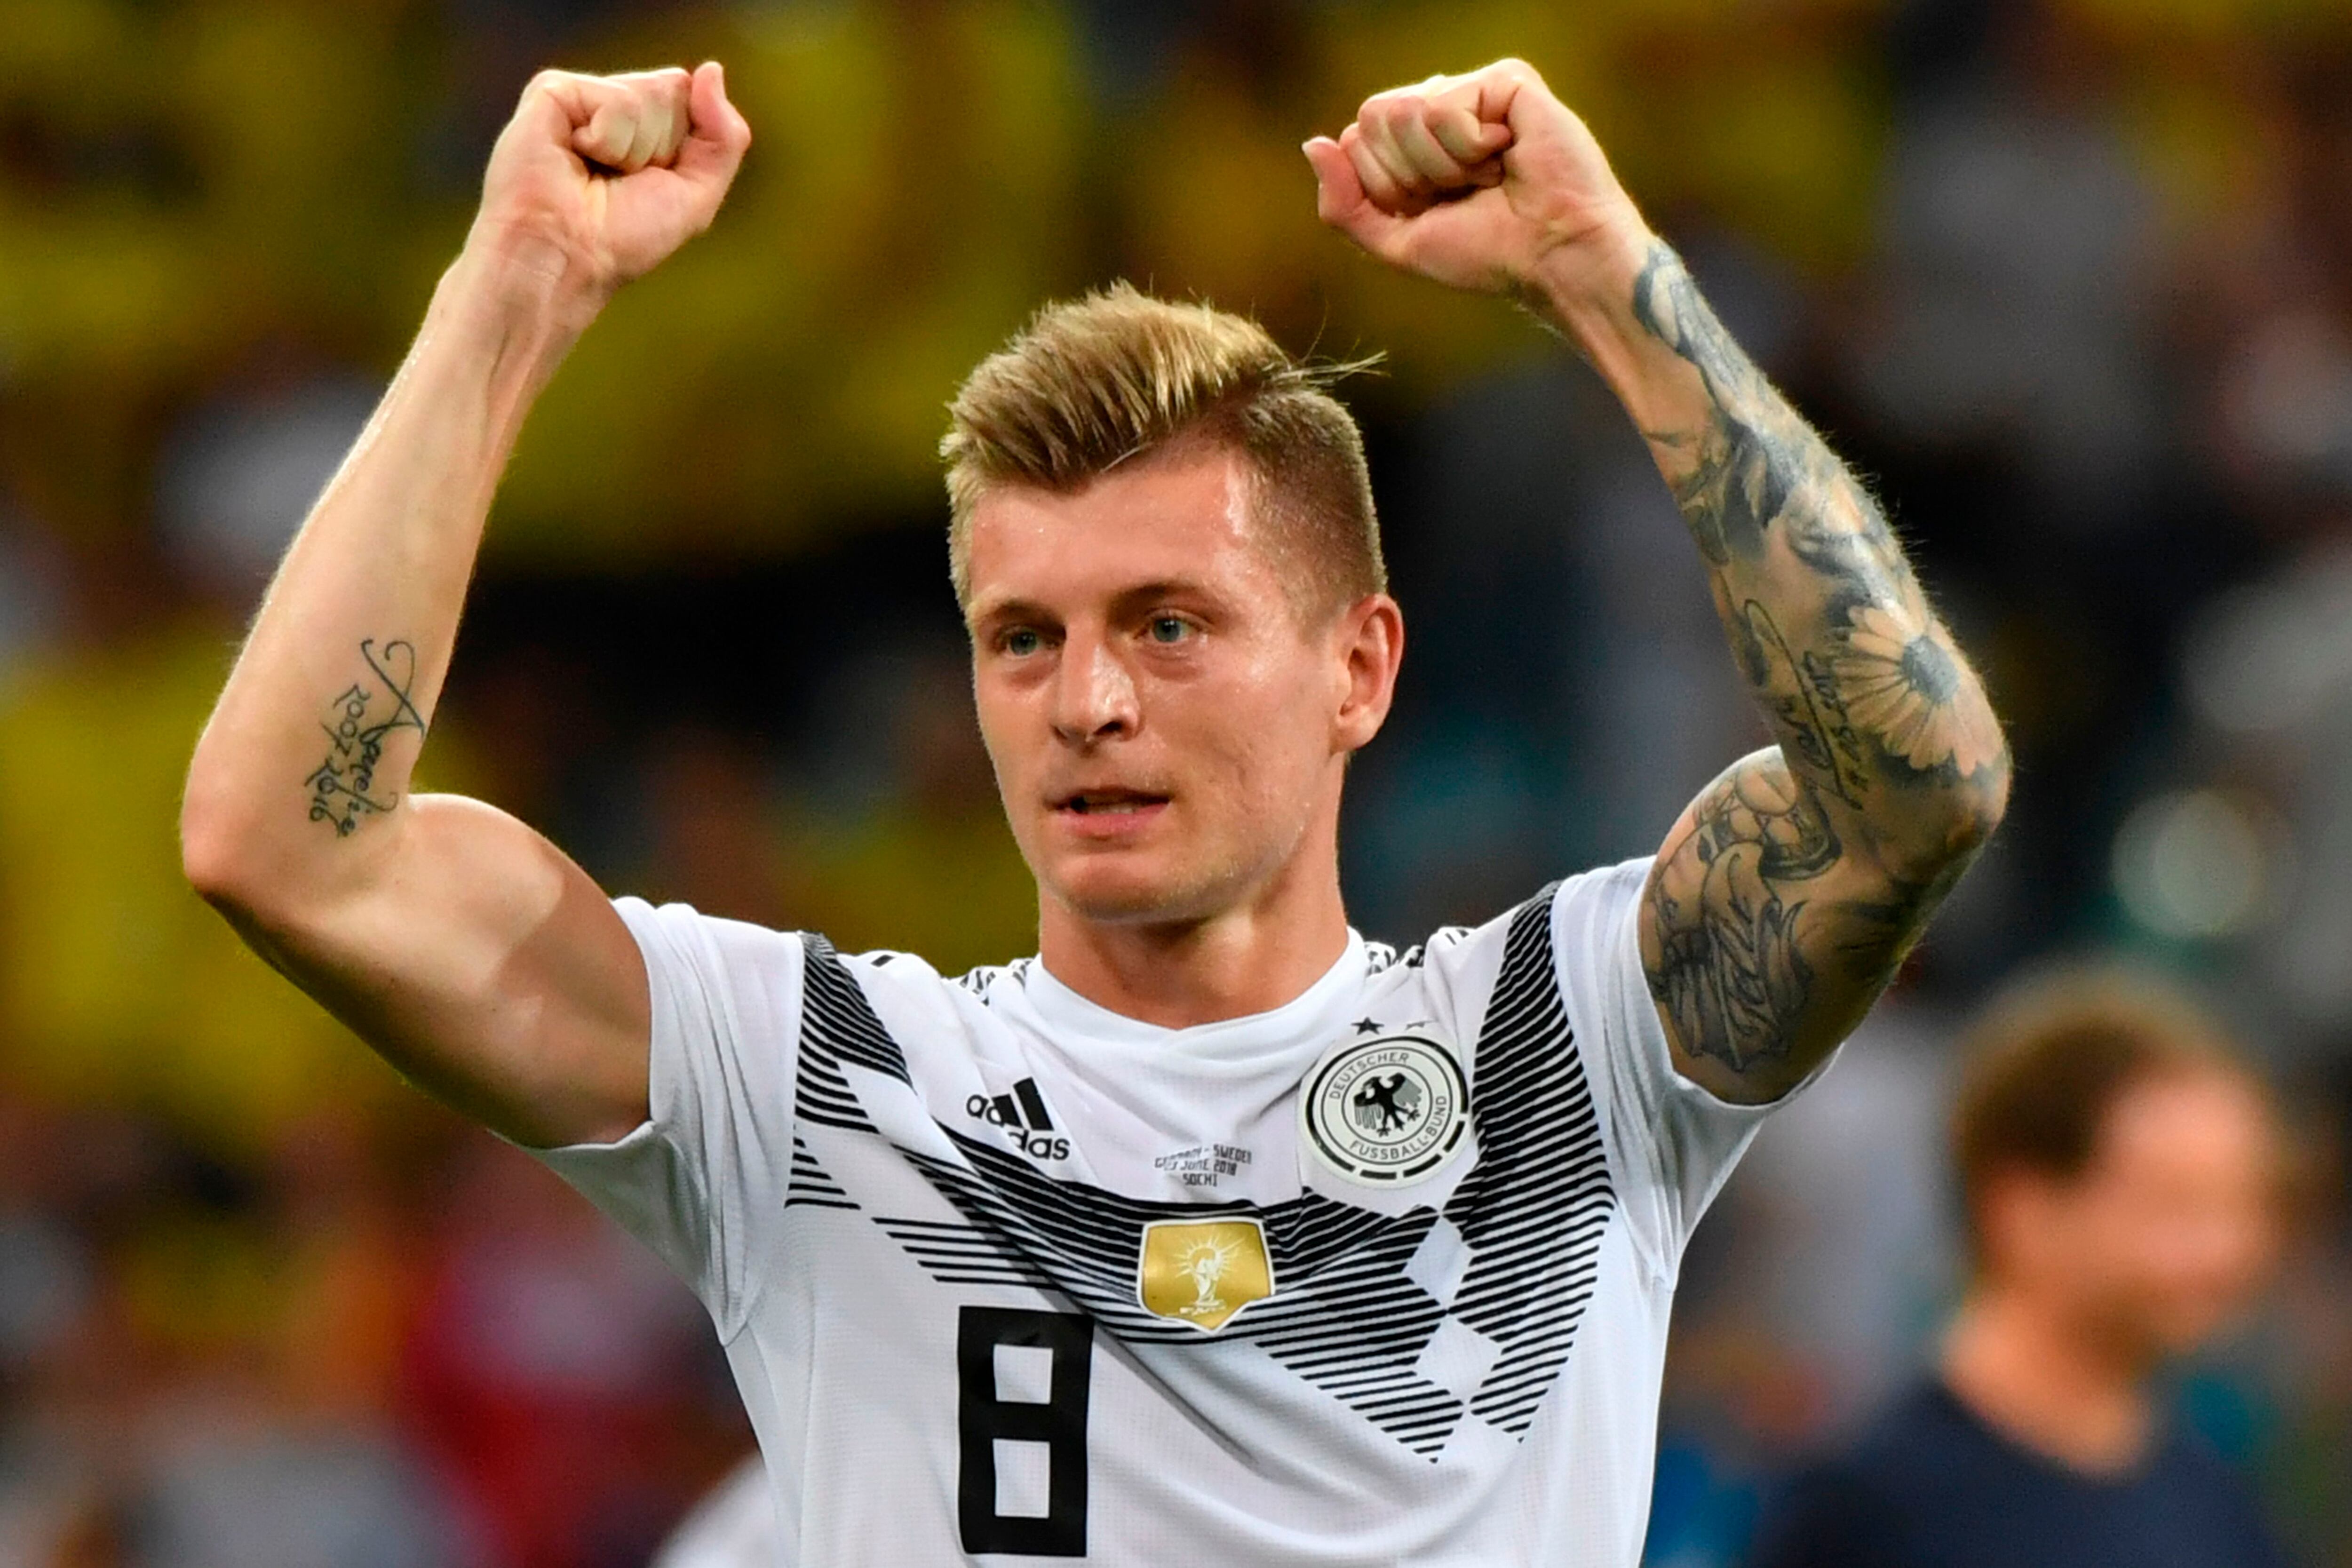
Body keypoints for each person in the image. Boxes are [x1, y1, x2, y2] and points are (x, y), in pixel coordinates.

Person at [179, 55, 2007, 1567]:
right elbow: (290, 848)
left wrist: (1606, 277)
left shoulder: (1558, 1046)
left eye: (1168, 623)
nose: (1090, 701)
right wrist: (509, 291)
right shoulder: (810, 1083)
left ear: (1359, 668)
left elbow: (1913, 781)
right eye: (1021, 637)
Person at [1746, 970, 2290, 1568]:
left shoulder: (2214, 1504)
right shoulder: (1870, 1506)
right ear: (2020, 1209)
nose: (2227, 1252)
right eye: (2175, 1207)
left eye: (2244, 1205)